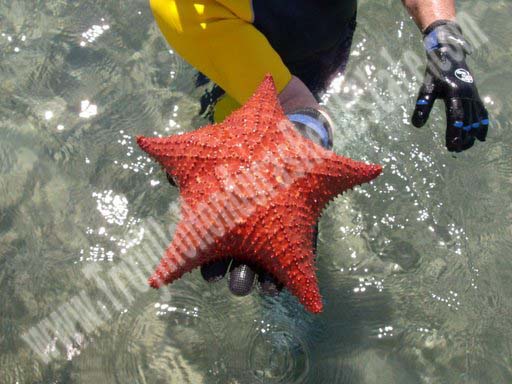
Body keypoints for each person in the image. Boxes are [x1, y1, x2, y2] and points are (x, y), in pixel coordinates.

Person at [149, 0, 489, 296]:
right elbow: (297, 107)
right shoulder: (184, 7)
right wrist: (294, 170)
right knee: (263, 247)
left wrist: (442, 38)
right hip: (242, 78)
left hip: (328, 44)